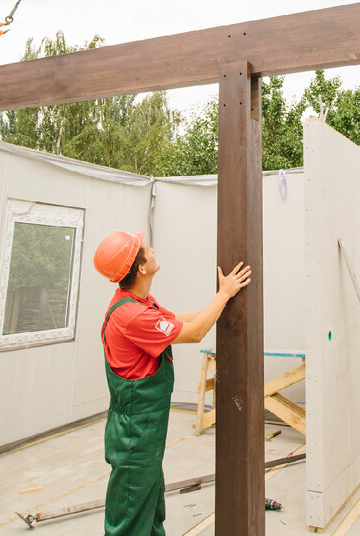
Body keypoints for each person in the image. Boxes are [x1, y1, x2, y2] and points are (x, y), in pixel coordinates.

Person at [93, 229, 251, 536]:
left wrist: (220, 300)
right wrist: (224, 294)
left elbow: (180, 321)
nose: (151, 249)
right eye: (145, 249)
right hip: (133, 432)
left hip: (144, 430)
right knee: (129, 517)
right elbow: (192, 333)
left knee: (150, 509)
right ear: (140, 267)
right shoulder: (132, 316)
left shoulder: (139, 302)